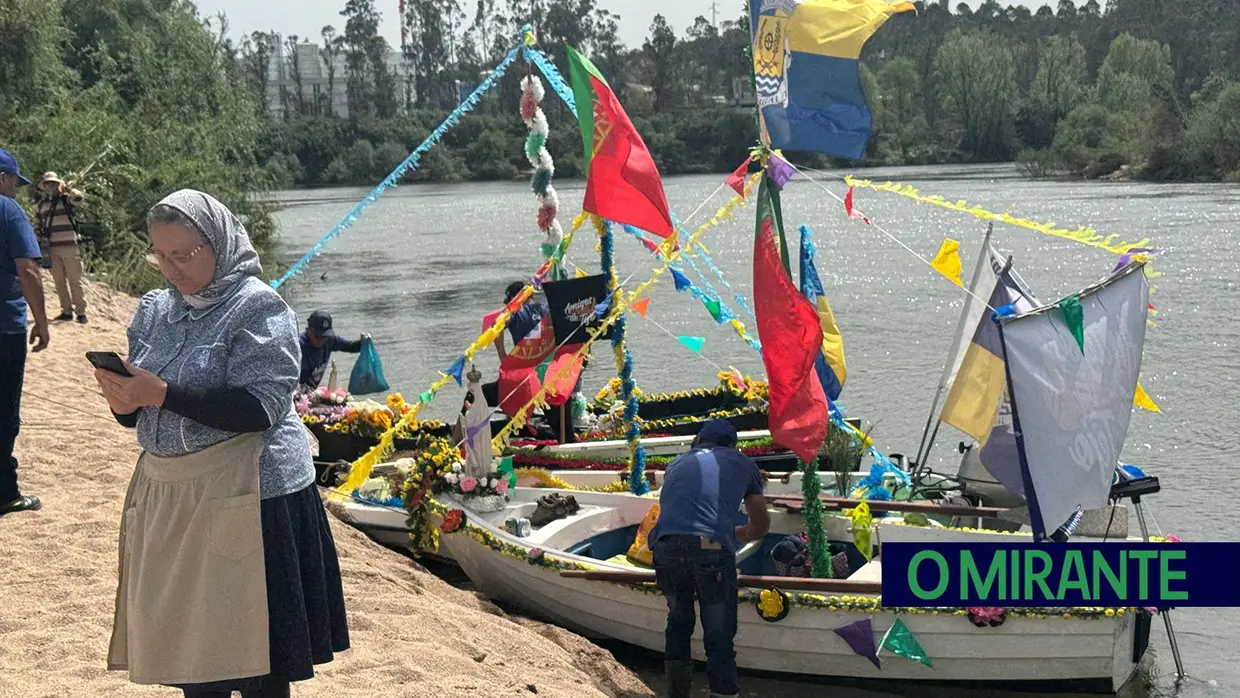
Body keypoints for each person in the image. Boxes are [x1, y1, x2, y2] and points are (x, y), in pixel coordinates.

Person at [95, 189, 349, 697]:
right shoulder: (153, 310)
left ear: (221, 243)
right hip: (176, 498)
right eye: (160, 256)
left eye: (184, 255)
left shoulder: (258, 307)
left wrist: (162, 394)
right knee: (195, 656)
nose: (171, 269)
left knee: (257, 663)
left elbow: (261, 408)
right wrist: (126, 405)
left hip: (256, 497)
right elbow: (146, 409)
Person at [648, 419, 770, 698]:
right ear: (732, 444)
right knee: (718, 633)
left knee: (679, 622)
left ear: (699, 441)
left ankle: (677, 694)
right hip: (710, 553)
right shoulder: (744, 463)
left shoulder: (677, 463)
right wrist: (740, 533)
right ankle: (724, 693)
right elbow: (760, 524)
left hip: (665, 546)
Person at [0, 149, 48, 517]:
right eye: (15, 182)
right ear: (4, 178)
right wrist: (42, 322)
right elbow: (27, 270)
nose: (16, 189)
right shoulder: (8, 210)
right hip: (4, 325)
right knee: (4, 412)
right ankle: (5, 492)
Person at [35, 171, 88, 324]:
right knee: (59, 282)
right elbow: (37, 224)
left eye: (53, 183)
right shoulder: (42, 205)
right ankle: (66, 311)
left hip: (69, 246)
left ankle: (81, 312)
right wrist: (39, 239)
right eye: (48, 184)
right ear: (44, 187)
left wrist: (69, 189)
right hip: (51, 248)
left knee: (74, 280)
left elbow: (79, 198)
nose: (50, 186)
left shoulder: (66, 200)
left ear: (58, 184)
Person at [298, 310, 365, 389]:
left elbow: (350, 347)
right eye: (319, 337)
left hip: (311, 391)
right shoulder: (298, 345)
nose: (322, 341)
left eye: (325, 337)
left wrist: (362, 343)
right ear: (309, 330)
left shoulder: (329, 340)